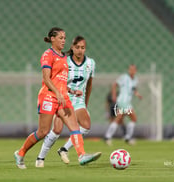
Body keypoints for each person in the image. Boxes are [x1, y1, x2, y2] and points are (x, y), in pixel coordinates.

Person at [14, 28, 101, 169]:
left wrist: (72, 91)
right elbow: (47, 79)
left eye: (64, 38)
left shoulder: (63, 57)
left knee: (75, 127)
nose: (63, 41)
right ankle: (21, 152)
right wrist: (57, 93)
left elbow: (60, 81)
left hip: (63, 98)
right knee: (43, 132)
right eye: (60, 38)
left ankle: (82, 155)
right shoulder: (48, 55)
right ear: (52, 39)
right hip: (48, 96)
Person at [35, 35, 96, 167]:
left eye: (83, 48)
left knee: (86, 125)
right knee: (57, 129)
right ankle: (40, 157)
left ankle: (65, 149)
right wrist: (69, 91)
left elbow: (89, 84)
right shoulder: (64, 61)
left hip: (78, 100)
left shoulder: (90, 63)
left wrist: (85, 102)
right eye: (77, 47)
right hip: (63, 97)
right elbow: (56, 80)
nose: (80, 50)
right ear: (72, 48)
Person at [104, 64, 142, 146]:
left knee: (118, 118)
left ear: (135, 71)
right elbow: (115, 84)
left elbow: (133, 89)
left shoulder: (135, 79)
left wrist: (137, 94)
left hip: (127, 102)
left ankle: (107, 137)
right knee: (134, 118)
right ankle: (128, 138)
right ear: (128, 70)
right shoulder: (124, 77)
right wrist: (114, 95)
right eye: (130, 69)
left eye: (133, 69)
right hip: (123, 101)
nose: (132, 71)